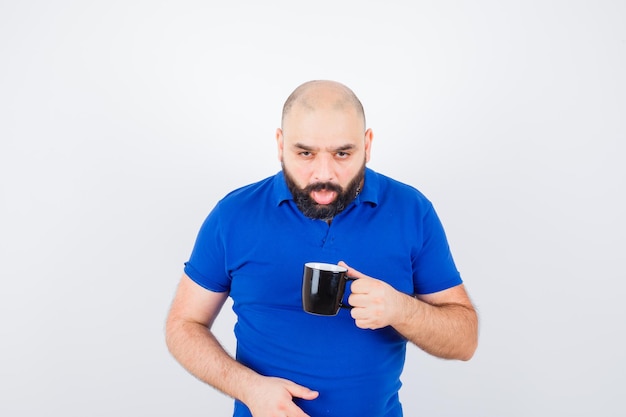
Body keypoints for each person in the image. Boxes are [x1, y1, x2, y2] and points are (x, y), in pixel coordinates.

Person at [165, 80, 478, 417]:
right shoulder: (234, 215)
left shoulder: (412, 211)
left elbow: (464, 341)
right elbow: (183, 325)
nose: (324, 174)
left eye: (342, 153)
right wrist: (249, 388)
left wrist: (401, 310)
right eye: (305, 153)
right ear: (280, 144)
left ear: (367, 145)